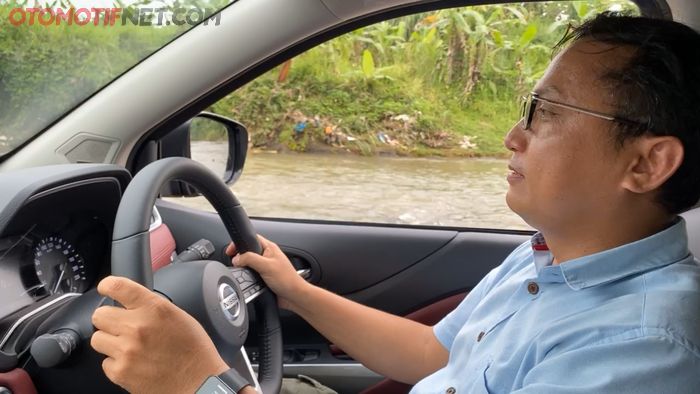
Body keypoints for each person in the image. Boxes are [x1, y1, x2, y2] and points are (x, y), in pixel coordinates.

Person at [90, 12, 700, 394]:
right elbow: (433, 353)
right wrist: (296, 290)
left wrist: (197, 383)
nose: (513, 137)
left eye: (546, 114)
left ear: (646, 163)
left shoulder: (642, 348)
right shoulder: (548, 259)